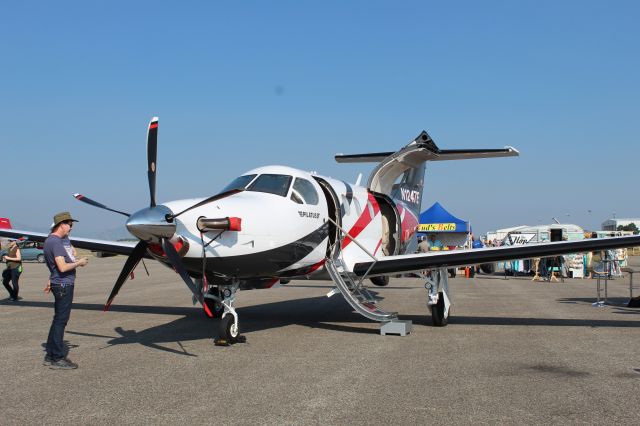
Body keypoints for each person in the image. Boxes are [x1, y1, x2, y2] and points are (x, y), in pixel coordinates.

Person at [43, 212, 88, 370]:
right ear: (61, 224)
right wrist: (79, 262)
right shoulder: (55, 243)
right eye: (69, 224)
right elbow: (62, 267)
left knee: (57, 320)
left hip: (59, 284)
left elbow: (57, 265)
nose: (71, 227)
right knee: (61, 321)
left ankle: (50, 355)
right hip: (63, 285)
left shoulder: (52, 240)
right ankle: (57, 358)